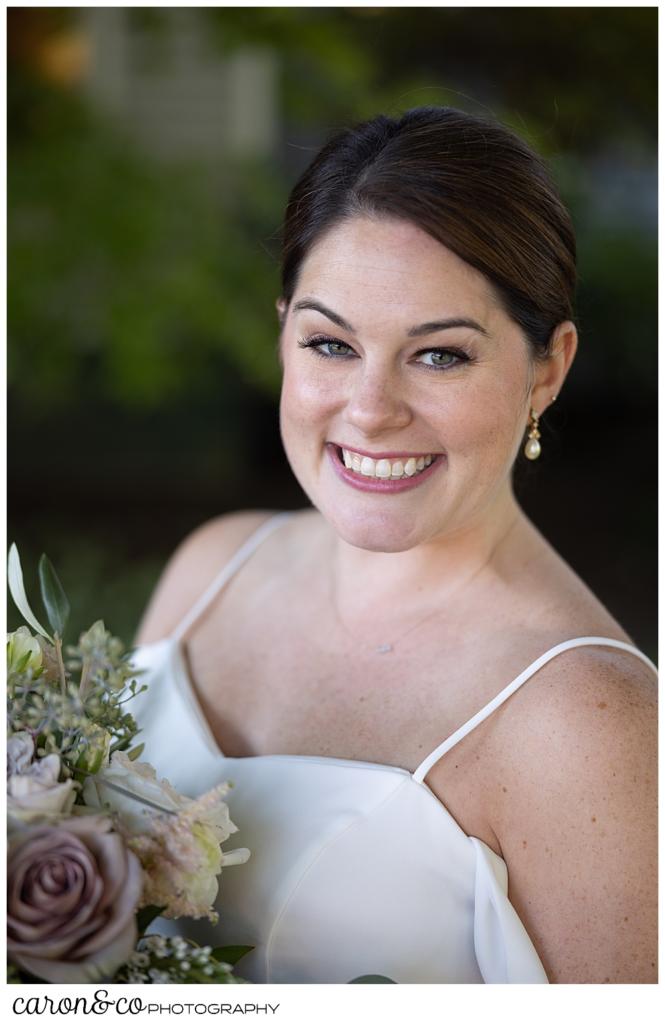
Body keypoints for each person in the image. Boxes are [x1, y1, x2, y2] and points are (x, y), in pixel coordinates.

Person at [131, 106, 657, 984]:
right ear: (283, 333)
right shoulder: (212, 564)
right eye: (331, 343)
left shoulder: (590, 725)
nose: (370, 409)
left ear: (548, 368)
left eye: (439, 356)